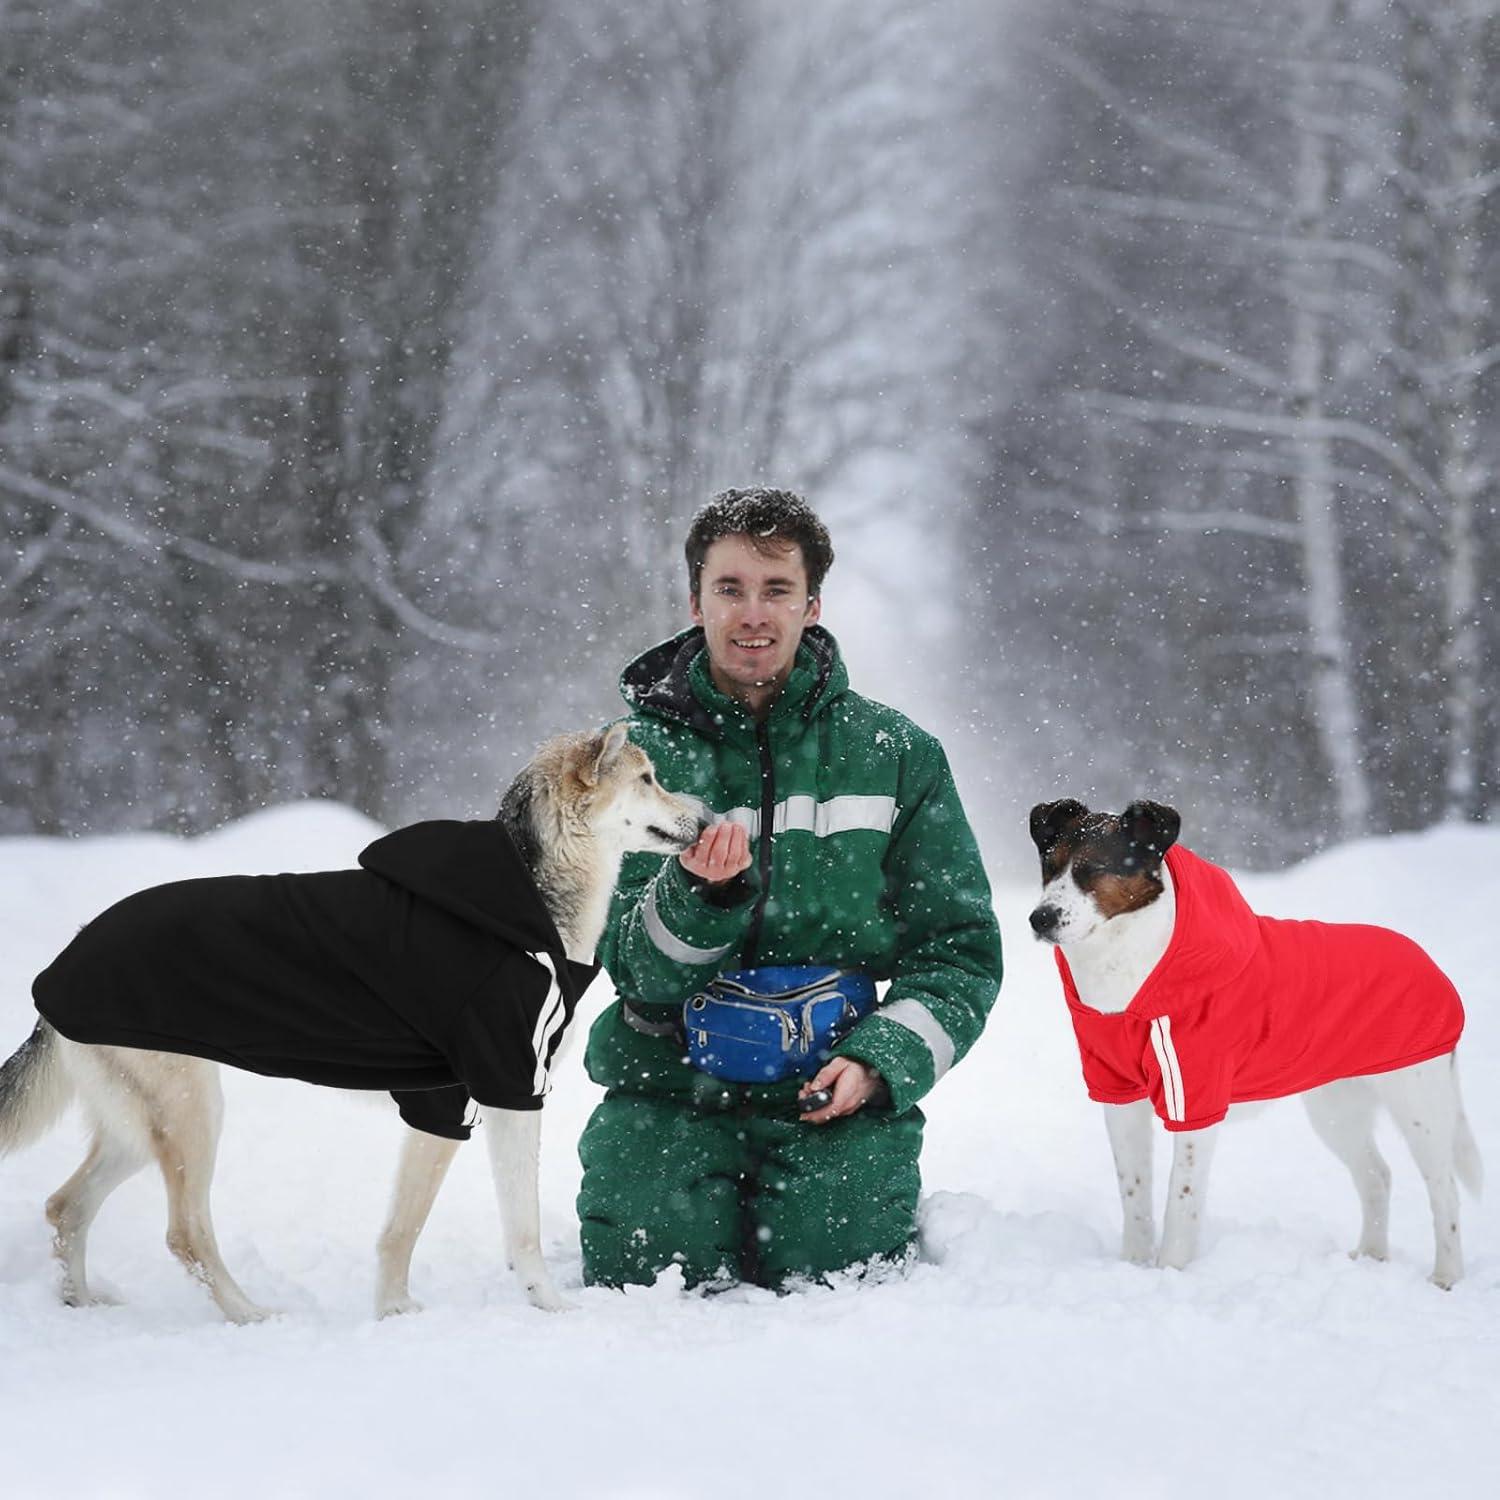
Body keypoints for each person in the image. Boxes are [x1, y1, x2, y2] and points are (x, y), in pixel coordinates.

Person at [575, 486, 1003, 1288]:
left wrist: (879, 1062)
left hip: (831, 1085)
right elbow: (630, 968)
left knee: (838, 1271)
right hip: (669, 1085)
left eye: (777, 590)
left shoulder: (896, 752)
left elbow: (959, 951)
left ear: (812, 605)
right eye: (729, 588)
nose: (753, 614)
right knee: (644, 1271)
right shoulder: (628, 761)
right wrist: (694, 900)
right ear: (694, 599)